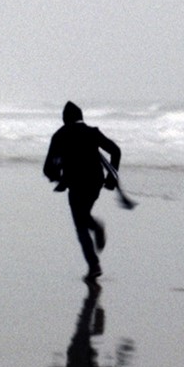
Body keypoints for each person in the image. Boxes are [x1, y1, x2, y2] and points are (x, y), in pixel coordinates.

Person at [44, 101, 121, 280]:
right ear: (81, 117)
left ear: (64, 119)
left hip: (75, 184)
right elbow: (116, 151)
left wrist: (58, 177)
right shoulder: (92, 132)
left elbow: (48, 169)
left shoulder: (60, 135)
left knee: (80, 225)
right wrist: (112, 178)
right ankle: (96, 227)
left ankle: (94, 265)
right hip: (95, 182)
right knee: (84, 215)